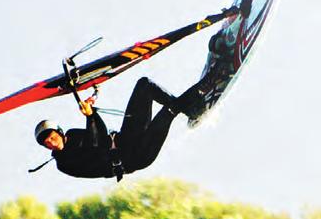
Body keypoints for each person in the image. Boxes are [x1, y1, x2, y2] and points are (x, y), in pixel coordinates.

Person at [32, 76, 207, 180]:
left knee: (144, 85)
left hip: (127, 140)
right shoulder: (64, 163)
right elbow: (95, 147)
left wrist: (92, 113)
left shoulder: (72, 135)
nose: (51, 143)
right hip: (135, 157)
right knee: (168, 112)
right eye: (47, 144)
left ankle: (194, 109)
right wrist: (90, 116)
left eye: (52, 137)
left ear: (60, 133)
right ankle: (209, 84)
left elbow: (100, 133)